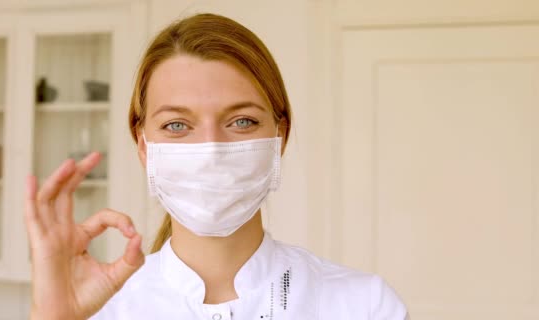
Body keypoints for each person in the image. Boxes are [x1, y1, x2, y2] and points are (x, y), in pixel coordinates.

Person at [24, 13, 409, 320]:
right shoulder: (99, 308)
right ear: (144, 147)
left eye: (241, 121)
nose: (210, 150)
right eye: (177, 125)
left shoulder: (364, 306)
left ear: (280, 137)